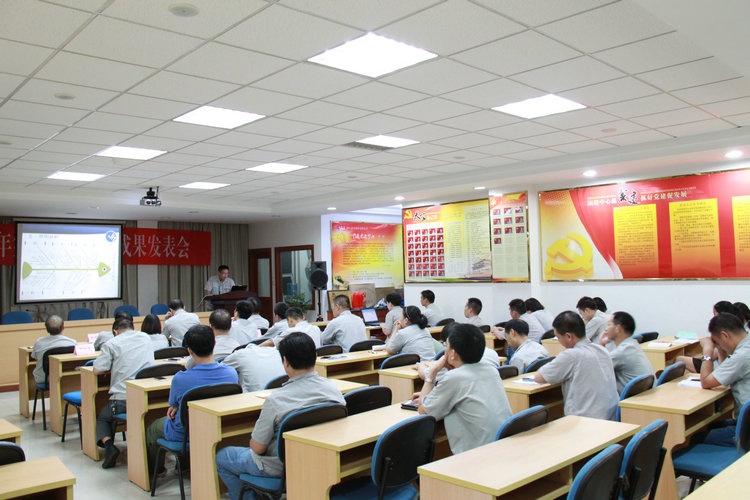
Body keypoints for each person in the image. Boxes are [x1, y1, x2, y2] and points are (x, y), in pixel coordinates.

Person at [216, 332, 346, 499]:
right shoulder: (333, 390)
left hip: (280, 467)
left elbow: (257, 448)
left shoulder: (276, 400)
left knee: (223, 456)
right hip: (320, 460)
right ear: (315, 356)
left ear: (285, 362)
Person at [145, 325, 238, 476]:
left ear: (189, 350)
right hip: (216, 427)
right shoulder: (231, 373)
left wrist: (178, 406)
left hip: (185, 433)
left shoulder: (181, 378)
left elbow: (173, 404)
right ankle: (184, 464)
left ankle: (157, 472)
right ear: (214, 343)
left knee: (153, 428)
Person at [416, 323, 512, 454]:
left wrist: (432, 373)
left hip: (477, 454)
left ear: (453, 354)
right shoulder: (491, 370)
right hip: (500, 445)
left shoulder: (454, 378)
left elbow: (423, 412)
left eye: (447, 346)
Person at [93, 316, 154, 468]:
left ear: (115, 331)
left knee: (102, 417)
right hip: (146, 395)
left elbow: (97, 370)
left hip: (123, 400)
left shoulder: (112, 343)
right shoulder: (146, 338)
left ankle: (109, 447)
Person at [534, 311, 619, 420]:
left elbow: (539, 378)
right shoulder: (601, 349)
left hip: (586, 420)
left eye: (558, 337)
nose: (559, 341)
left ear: (568, 336)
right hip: (611, 416)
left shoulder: (571, 355)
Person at [697, 313, 750, 446]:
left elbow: (706, 382)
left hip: (746, 429)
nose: (719, 346)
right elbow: (723, 371)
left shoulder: (741, 356)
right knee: (712, 426)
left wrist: (707, 350)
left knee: (695, 438)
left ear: (725, 335)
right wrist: (721, 349)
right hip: (745, 419)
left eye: (718, 342)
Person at [598, 311, 653, 393]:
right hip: (644, 394)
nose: (606, 329)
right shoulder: (632, 345)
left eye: (609, 324)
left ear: (618, 329)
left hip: (631, 398)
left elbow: (597, 370)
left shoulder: (622, 352)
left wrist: (600, 345)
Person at [221, 342, 286, 392]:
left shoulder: (239, 354)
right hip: (283, 391)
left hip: (255, 397)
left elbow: (221, 368)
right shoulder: (275, 351)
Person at [31, 315, 76, 385]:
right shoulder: (72, 342)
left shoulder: (39, 342)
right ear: (63, 327)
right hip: (66, 378)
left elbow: (35, 358)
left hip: (45, 379)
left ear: (46, 329)